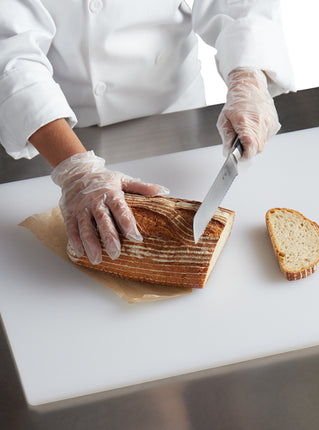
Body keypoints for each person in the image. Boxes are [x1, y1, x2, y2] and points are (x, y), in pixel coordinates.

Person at [0, 0, 294, 265]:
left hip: (176, 119)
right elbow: (11, 52)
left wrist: (249, 80)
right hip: (50, 129)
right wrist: (76, 171)